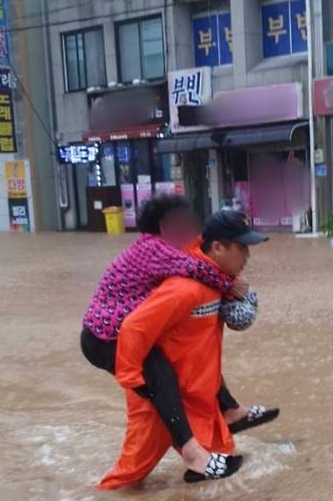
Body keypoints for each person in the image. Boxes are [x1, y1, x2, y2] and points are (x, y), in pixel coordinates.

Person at [81, 195, 278, 477]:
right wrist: (132, 378)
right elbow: (196, 268)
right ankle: (193, 455)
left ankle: (228, 413)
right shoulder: (158, 254)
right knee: (159, 382)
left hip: (131, 339)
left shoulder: (178, 252)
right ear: (165, 226)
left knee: (197, 362)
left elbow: (198, 252)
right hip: (107, 339)